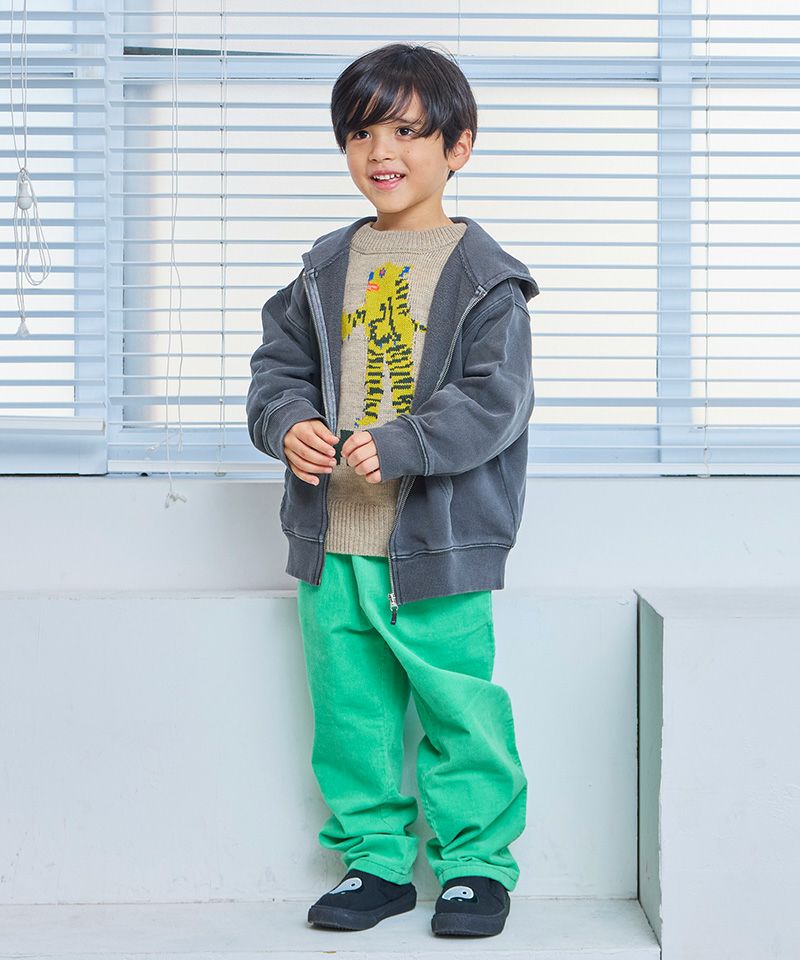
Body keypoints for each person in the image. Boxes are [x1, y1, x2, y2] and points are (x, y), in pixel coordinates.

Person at [246, 41, 539, 938]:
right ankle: (373, 862)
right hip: (333, 540)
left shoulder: (486, 280)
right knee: (351, 715)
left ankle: (475, 865)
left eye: (408, 131)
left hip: (438, 546)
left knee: (459, 708)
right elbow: (276, 371)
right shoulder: (323, 268)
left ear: (459, 146)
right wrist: (287, 422)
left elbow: (495, 401)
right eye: (363, 132)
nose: (383, 150)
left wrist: (406, 441)